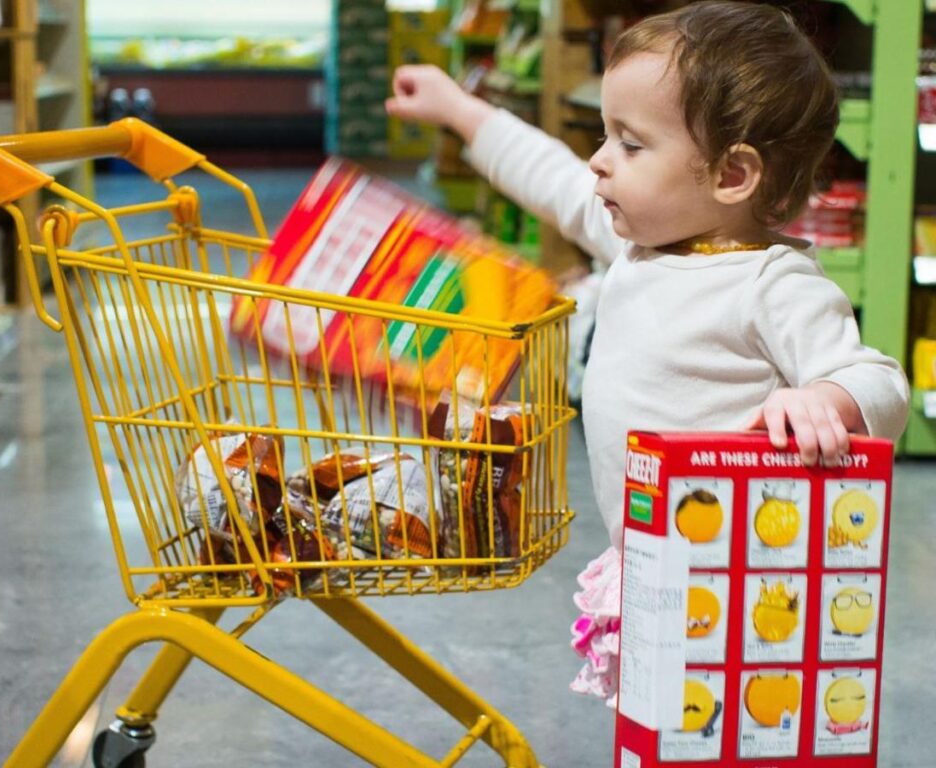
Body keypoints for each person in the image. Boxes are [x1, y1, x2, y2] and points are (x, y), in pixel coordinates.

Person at [387, 0, 910, 704]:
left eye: (630, 144)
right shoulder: (636, 247)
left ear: (731, 176)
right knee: (658, 725)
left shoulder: (770, 283)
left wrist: (830, 398)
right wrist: (459, 108)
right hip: (655, 566)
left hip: (746, 590)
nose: (600, 162)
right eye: (607, 136)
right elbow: (551, 174)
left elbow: (877, 377)